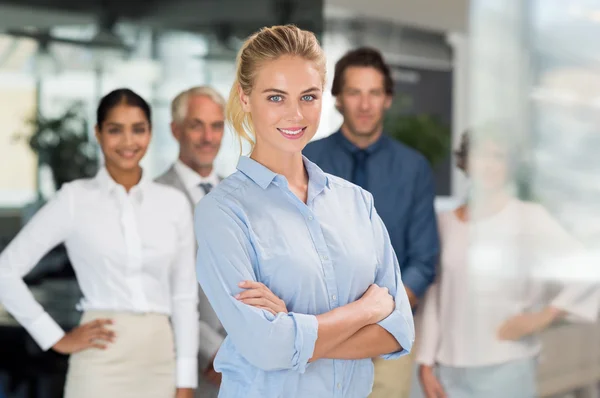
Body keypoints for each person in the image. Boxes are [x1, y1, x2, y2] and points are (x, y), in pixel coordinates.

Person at [193, 25, 415, 398]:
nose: (295, 114)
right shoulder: (222, 212)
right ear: (245, 98)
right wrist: (365, 312)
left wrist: (292, 332)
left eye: (308, 97)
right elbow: (264, 347)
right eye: (276, 97)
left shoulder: (357, 203)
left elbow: (399, 332)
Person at [0, 89, 199, 398]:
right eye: (115, 130)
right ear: (98, 133)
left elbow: (185, 298)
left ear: (150, 133)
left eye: (138, 129)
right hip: (100, 360)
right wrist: (54, 337)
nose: (128, 141)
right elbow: (5, 272)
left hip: (160, 362)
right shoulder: (74, 199)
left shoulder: (173, 204)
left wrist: (186, 381)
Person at [416, 130, 600, 398]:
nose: (489, 165)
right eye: (481, 155)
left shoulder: (529, 218)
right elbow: (436, 297)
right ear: (465, 162)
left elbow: (588, 267)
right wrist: (426, 362)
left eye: (498, 157)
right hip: (448, 370)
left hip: (506, 367)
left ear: (510, 166)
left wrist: (542, 317)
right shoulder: (445, 222)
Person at [303, 46, 439, 398]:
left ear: (388, 99)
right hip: (321, 334)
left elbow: (423, 261)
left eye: (374, 93)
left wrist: (379, 316)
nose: (365, 105)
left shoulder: (414, 169)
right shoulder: (304, 160)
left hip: (388, 335)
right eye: (354, 92)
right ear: (336, 99)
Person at [155, 85, 226, 397]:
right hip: (191, 368)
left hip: (249, 363)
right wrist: (214, 351)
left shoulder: (242, 195)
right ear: (175, 130)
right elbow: (161, 289)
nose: (208, 138)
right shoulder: (152, 198)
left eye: (216, 126)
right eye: (197, 125)